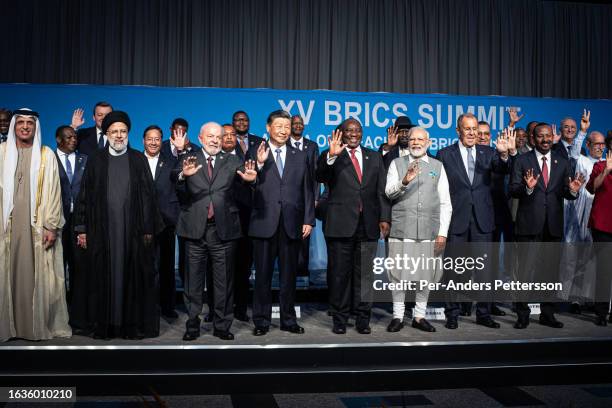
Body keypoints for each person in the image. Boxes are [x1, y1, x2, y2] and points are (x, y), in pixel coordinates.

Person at [74, 111, 161, 339]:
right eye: (114, 131)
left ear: (128, 133)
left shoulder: (138, 159)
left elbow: (148, 197)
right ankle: (105, 324)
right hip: (102, 231)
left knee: (133, 276)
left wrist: (148, 230)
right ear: (106, 133)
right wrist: (81, 229)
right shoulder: (96, 159)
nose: (119, 136)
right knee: (101, 276)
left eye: (123, 131)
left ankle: (130, 325)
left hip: (132, 232)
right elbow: (84, 196)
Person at [172, 122, 257, 341]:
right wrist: (183, 174)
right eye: (210, 136)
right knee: (193, 283)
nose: (214, 140)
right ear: (200, 138)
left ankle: (222, 325)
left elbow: (246, 179)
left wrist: (251, 179)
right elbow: (175, 180)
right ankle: (192, 324)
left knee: (223, 282)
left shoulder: (231, 159)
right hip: (194, 230)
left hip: (224, 230)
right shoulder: (189, 158)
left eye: (218, 137)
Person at [436, 113, 514, 329]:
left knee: (485, 271)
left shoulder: (489, 152)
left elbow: (503, 168)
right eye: (467, 129)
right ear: (458, 131)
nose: (472, 133)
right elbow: (439, 190)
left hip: (483, 220)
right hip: (456, 220)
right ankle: (452, 313)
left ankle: (483, 313)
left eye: (474, 129)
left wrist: (505, 154)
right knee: (453, 270)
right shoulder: (444, 154)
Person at [0, 108, 71, 342]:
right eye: (20, 123)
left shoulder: (45, 154)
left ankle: (33, 326)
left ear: (35, 127)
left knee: (37, 275)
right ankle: (8, 326)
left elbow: (53, 192)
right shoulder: (1, 152)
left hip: (36, 226)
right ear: (13, 126)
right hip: (7, 227)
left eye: (29, 124)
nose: (25, 127)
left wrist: (51, 225)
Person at [316, 118, 391, 334]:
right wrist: (331, 155)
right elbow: (319, 176)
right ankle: (339, 320)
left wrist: (384, 218)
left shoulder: (374, 157)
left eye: (357, 130)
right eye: (349, 130)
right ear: (340, 133)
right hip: (340, 224)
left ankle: (362, 320)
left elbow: (381, 191)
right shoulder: (331, 154)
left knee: (365, 276)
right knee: (340, 275)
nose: (354, 134)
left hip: (367, 225)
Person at [509, 122, 584, 329]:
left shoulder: (563, 161)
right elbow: (513, 189)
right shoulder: (522, 160)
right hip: (529, 226)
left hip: (552, 226)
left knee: (550, 273)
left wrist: (574, 191)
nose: (545, 140)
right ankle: (522, 314)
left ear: (553, 137)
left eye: (548, 136)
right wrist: (528, 188)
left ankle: (547, 314)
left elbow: (566, 193)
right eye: (541, 136)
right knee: (524, 272)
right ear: (533, 138)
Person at [249, 110, 315, 336]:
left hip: (291, 223)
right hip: (263, 222)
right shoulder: (254, 151)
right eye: (279, 126)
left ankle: (288, 320)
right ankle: (261, 321)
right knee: (263, 277)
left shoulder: (300, 155)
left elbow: (307, 189)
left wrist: (308, 219)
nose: (284, 130)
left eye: (287, 126)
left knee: (289, 277)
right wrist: (258, 164)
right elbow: (245, 186)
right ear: (268, 127)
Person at [385, 127, 452, 333]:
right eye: (412, 139)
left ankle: (419, 316)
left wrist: (442, 233)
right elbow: (389, 193)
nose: (415, 142)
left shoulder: (438, 166)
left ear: (428, 143)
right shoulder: (396, 164)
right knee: (398, 274)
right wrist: (404, 181)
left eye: (420, 139)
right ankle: (397, 315)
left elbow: (445, 203)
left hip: (428, 232)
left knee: (426, 275)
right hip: (402, 229)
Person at [143, 125, 180, 319]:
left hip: (166, 221)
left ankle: (167, 306)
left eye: (157, 139)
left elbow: (183, 175)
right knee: (145, 266)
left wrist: (181, 150)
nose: (153, 142)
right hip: (141, 224)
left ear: (162, 141)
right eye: (150, 138)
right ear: (143, 140)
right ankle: (147, 306)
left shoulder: (171, 161)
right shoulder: (135, 161)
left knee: (166, 267)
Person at [54, 125, 88, 304]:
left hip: (80, 222)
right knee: (57, 268)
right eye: (68, 137)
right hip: (57, 221)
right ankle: (59, 308)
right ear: (58, 140)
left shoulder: (85, 160)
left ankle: (77, 310)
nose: (73, 140)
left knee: (80, 268)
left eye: (75, 137)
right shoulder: (49, 159)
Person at [289, 114, 320, 279]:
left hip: (307, 199)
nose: (298, 126)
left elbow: (316, 175)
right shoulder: (284, 145)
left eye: (301, 123)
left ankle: (302, 274)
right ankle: (288, 273)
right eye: (295, 123)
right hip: (287, 198)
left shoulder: (312, 146)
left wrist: (315, 198)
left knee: (304, 238)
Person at [586, 136, 612, 325]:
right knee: (603, 270)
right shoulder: (600, 166)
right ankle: (601, 313)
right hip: (602, 225)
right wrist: (607, 171)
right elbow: (592, 188)